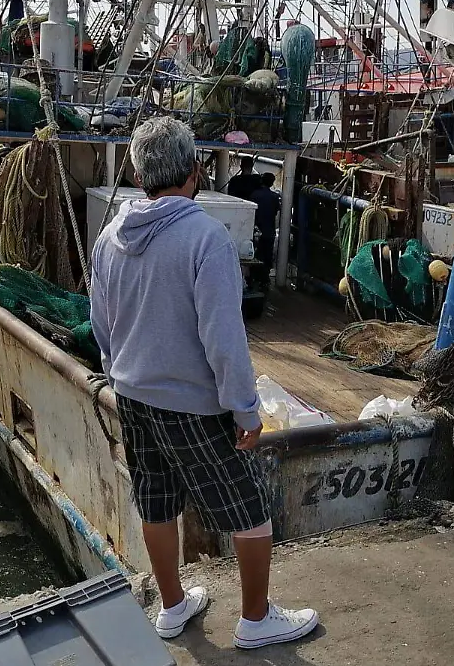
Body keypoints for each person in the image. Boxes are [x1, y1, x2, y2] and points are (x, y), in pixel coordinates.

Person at [90, 117, 319, 648]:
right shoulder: (206, 238)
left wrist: (119, 370)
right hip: (192, 402)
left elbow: (101, 321)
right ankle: (256, 620)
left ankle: (172, 607)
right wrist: (244, 408)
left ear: (138, 175)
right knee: (249, 506)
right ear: (195, 171)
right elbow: (223, 338)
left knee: (155, 500)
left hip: (132, 395)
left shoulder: (109, 237)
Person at [248, 172, 281, 289]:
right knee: (267, 255)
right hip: (269, 230)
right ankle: (264, 279)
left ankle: (253, 278)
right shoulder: (274, 197)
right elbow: (276, 212)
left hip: (256, 229)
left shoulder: (254, 194)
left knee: (255, 255)